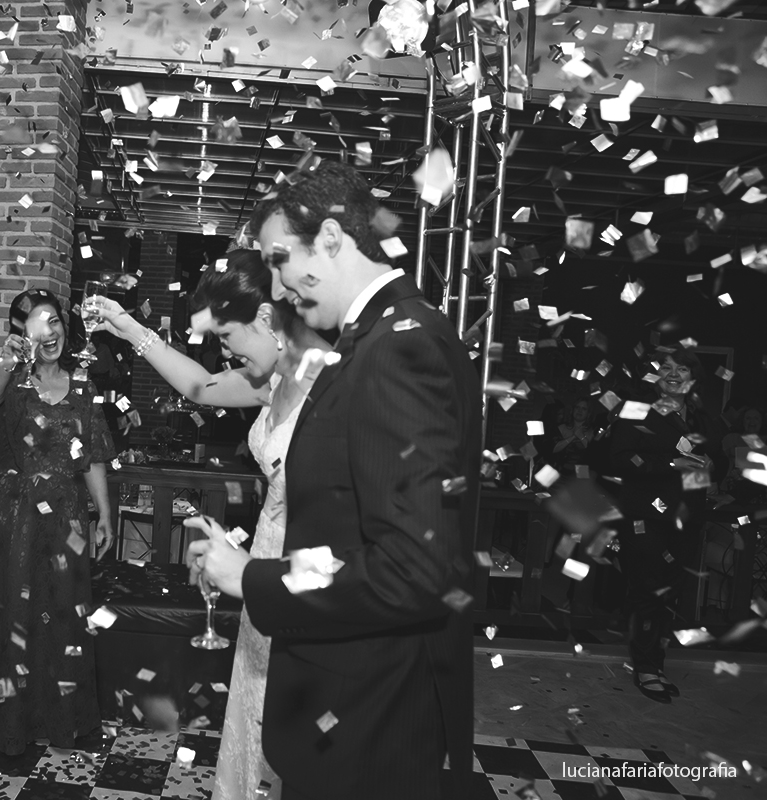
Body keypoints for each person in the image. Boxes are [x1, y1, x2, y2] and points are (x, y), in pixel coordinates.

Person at [187, 161, 480, 800]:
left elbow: (411, 568)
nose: (276, 284)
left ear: (329, 239)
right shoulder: (371, 338)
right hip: (349, 698)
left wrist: (253, 576)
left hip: (371, 712)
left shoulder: (402, 344)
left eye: (278, 259)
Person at [92, 249, 332, 800]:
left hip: (305, 572)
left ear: (269, 320)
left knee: (297, 727)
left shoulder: (329, 385)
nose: (223, 351)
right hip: (264, 564)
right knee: (256, 717)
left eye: (228, 337)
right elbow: (198, 388)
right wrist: (129, 328)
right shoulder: (271, 381)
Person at [0, 289, 115, 756]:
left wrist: (105, 514)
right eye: (37, 324)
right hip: (18, 516)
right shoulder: (11, 379)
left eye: (55, 322)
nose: (48, 331)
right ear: (22, 332)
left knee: (69, 617)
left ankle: (68, 719)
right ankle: (11, 727)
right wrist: (7, 356)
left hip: (69, 515)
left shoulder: (84, 386)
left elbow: (91, 457)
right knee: (17, 615)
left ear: (65, 331)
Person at [606, 348, 715, 703]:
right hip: (645, 518)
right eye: (665, 367)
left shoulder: (701, 418)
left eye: (681, 367)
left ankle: (655, 662)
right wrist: (672, 465)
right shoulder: (637, 408)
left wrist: (712, 463)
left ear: (693, 378)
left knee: (669, 593)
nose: (672, 373)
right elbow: (618, 458)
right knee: (647, 590)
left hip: (688, 518)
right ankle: (645, 667)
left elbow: (724, 460)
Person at [551, 398, 597, 469]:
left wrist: (581, 437)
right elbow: (553, 449)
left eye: (584, 408)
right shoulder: (561, 427)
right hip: (560, 470)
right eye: (577, 407)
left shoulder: (593, 430)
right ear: (572, 410)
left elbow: (593, 454)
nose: (579, 410)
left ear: (588, 413)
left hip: (583, 472)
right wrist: (573, 437)